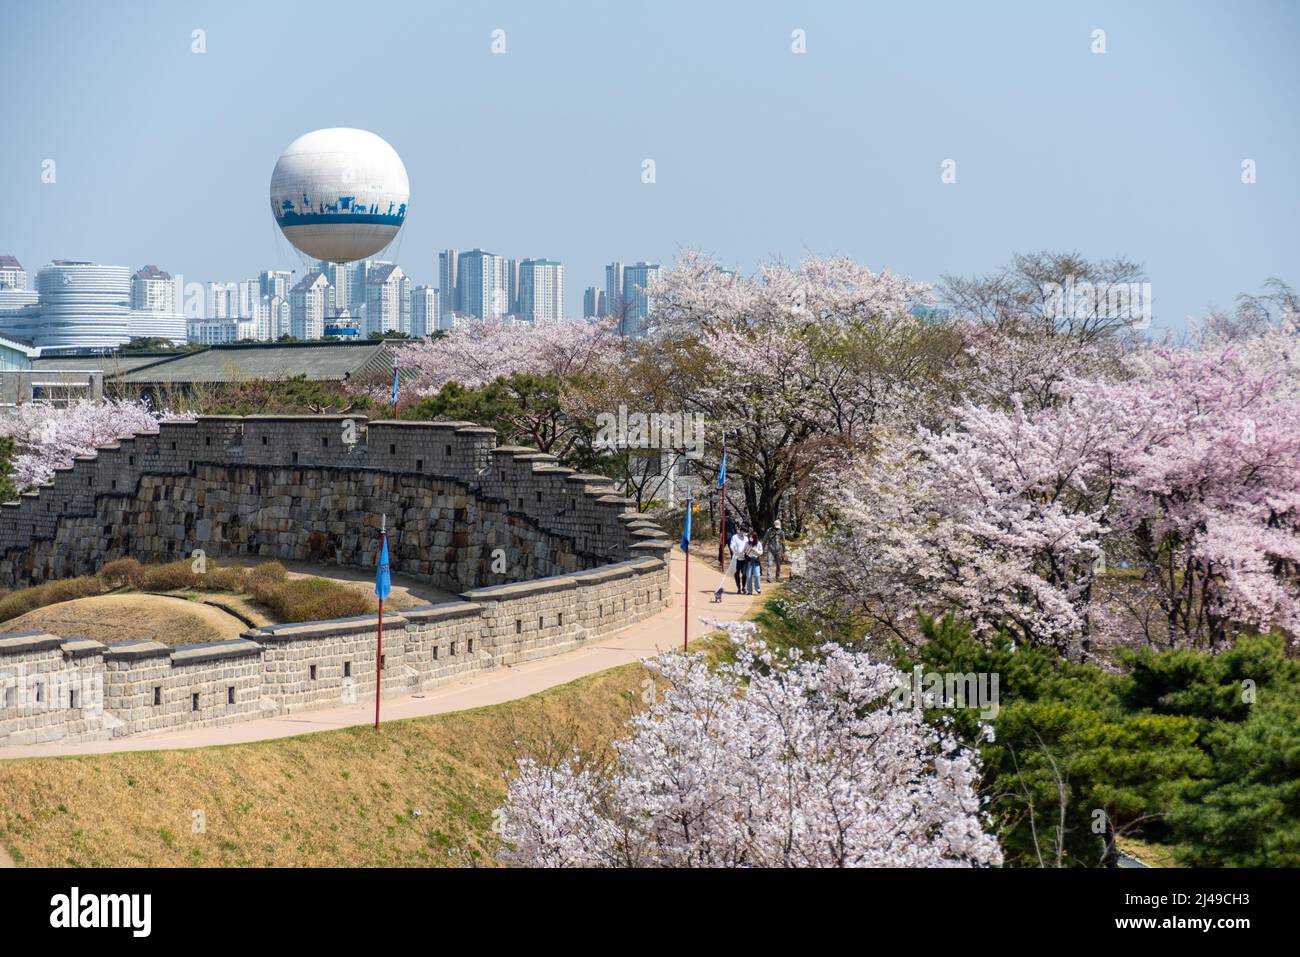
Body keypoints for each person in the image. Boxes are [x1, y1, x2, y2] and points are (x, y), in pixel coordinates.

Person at [729, 525, 749, 593]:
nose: (745, 534)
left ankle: (743, 587)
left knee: (744, 573)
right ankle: (739, 588)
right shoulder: (734, 537)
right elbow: (732, 546)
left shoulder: (746, 538)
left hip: (744, 558)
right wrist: (734, 553)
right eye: (745, 532)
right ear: (742, 531)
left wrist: (746, 551)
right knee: (736, 573)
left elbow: (748, 546)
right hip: (736, 559)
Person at [743, 531, 764, 595]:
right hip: (749, 561)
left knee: (757, 575)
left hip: (756, 561)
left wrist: (755, 551)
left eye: (752, 537)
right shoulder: (747, 543)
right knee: (748, 576)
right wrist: (747, 551)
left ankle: (758, 589)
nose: (751, 538)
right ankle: (749, 591)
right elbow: (744, 551)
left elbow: (761, 552)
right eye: (750, 537)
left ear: (755, 537)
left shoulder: (759, 543)